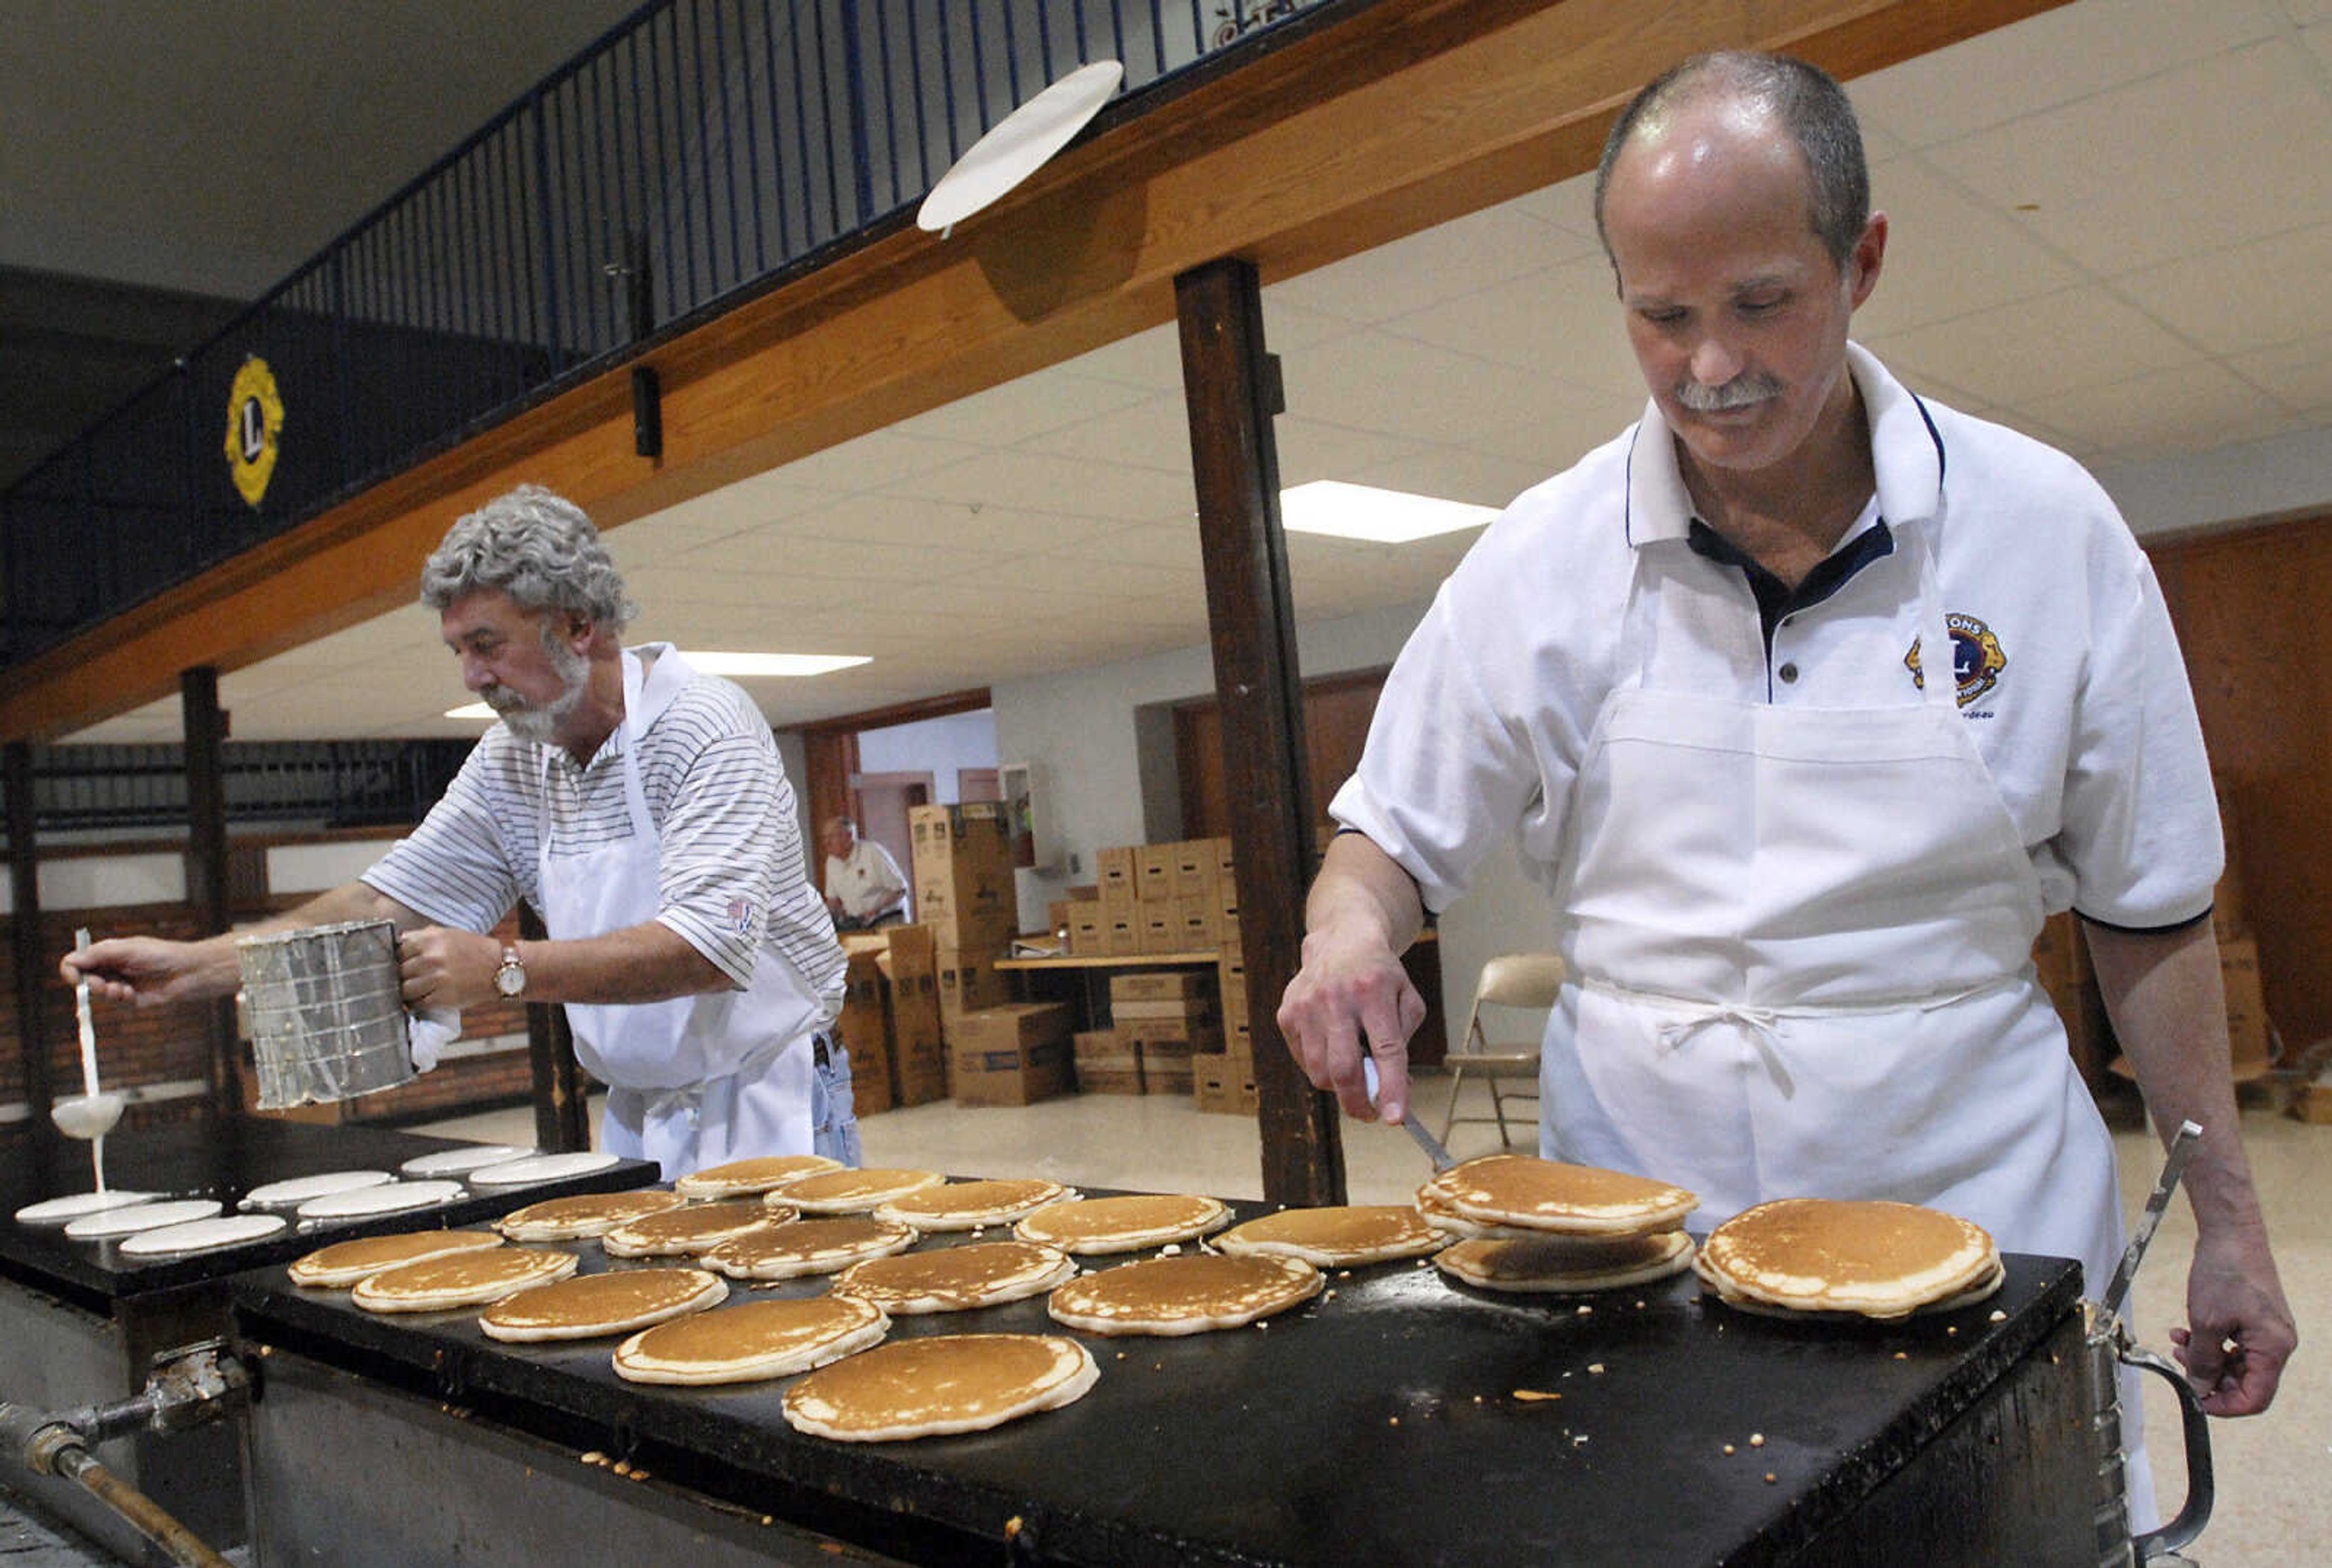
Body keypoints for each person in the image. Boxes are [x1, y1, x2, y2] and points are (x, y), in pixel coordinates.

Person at [1275, 49, 2293, 1522]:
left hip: (1973, 1212)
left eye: (1760, 302)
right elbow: (1380, 838)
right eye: (1659, 314)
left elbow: (2150, 911)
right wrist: (1345, 933)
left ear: (1860, 258)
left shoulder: (2042, 533)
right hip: (1639, 1246)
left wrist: (2232, 1224)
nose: (1709, 365)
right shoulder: (1543, 559)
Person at [64, 484, 859, 1178]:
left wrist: (504, 968)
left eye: (487, 645)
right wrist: (192, 968)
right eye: (459, 651)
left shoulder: (700, 725)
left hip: (774, 1099)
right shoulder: (514, 761)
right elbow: (389, 905)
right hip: (641, 1116)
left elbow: (709, 949)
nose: (472, 677)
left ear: (578, 625)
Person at [820, 815, 909, 931]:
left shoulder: (872, 852)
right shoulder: (831, 862)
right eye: (824, 838)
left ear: (849, 836)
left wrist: (876, 910)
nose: (827, 843)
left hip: (887, 918)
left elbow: (900, 890)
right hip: (859, 923)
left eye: (832, 837)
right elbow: (833, 900)